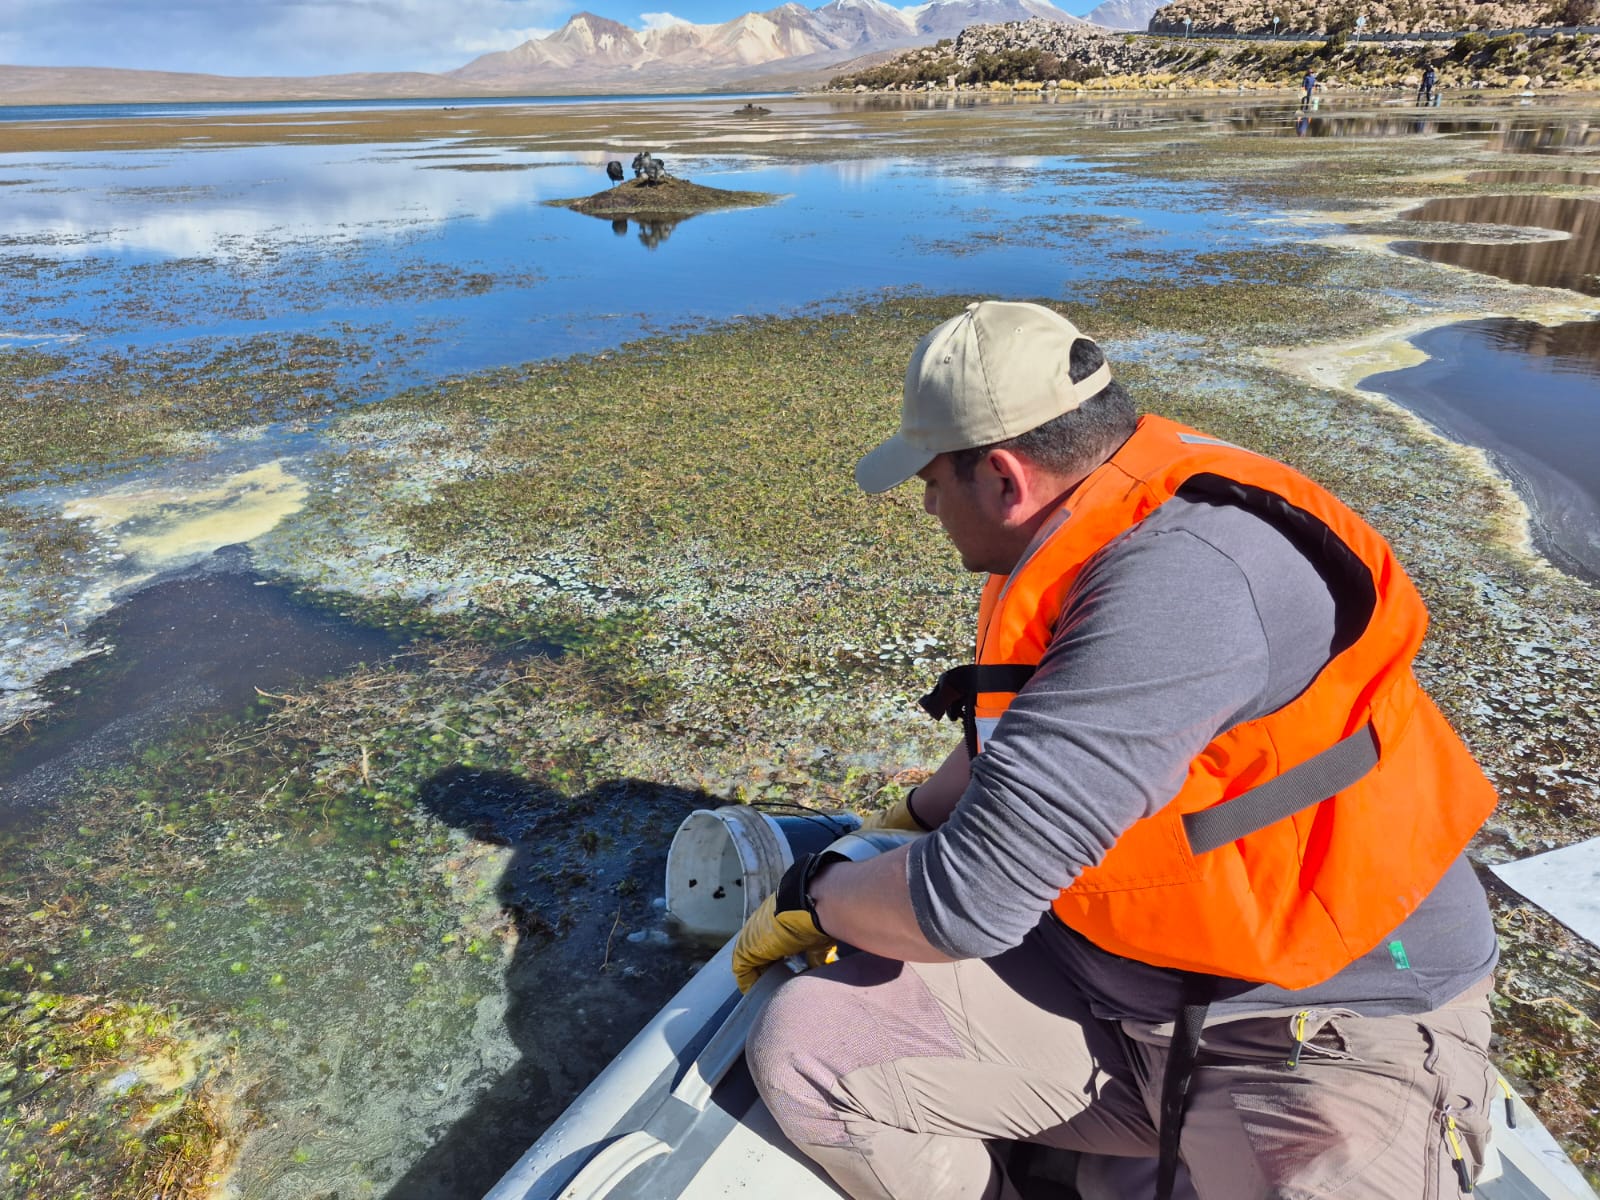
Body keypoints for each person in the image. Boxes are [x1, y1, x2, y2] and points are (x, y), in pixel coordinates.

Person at [733, 300, 1501, 1200]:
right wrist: (904, 820)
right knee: (813, 1048)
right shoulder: (1101, 513)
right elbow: (1033, 746)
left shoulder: (1185, 582)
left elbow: (965, 905)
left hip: (1323, 1017)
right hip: (1116, 986)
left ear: (1004, 477)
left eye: (931, 484)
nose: (930, 507)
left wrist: (814, 896)